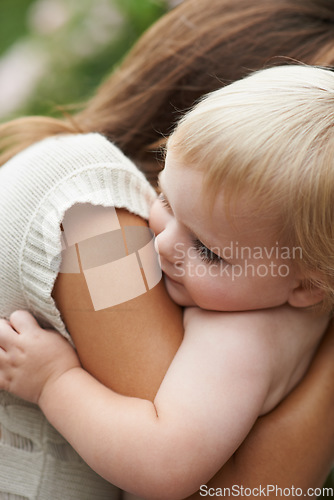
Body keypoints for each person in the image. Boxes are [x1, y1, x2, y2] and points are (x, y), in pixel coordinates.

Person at [0, 0, 334, 497]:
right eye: (164, 200)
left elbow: (167, 465)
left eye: (210, 252)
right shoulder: (92, 209)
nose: (163, 244)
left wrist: (55, 381)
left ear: (309, 284)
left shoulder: (241, 338)